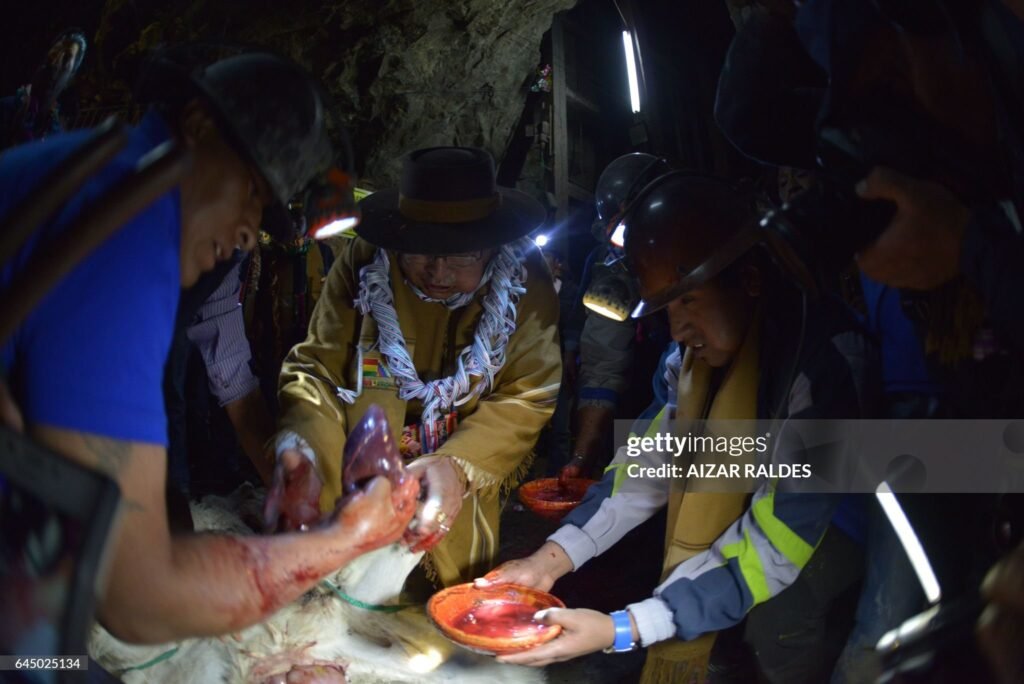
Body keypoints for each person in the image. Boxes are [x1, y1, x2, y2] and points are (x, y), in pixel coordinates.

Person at [0, 50, 418, 643]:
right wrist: (346, 539)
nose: (251, 230)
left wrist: (279, 458)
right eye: (250, 190)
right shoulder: (127, 235)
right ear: (196, 126)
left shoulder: (100, 178)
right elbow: (141, 600)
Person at [482, 174, 878, 683]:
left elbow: (775, 543)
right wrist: (548, 561)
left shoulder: (827, 366)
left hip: (841, 517)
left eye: (689, 301)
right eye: (668, 309)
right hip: (755, 495)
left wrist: (620, 629)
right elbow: (645, 467)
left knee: (779, 624)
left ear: (750, 280)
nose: (678, 330)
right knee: (692, 595)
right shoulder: (686, 361)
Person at [271, 146, 562, 587]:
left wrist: (458, 465)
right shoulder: (367, 261)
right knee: (337, 600)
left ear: (491, 245)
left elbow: (528, 394)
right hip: (358, 471)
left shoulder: (525, 282)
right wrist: (304, 452)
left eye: (461, 255)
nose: (438, 272)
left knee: (452, 595)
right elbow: (317, 371)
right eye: (421, 252)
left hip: (457, 470)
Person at [0, 29, 87, 149]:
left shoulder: (57, 139)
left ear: (71, 78)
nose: (55, 62)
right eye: (54, 53)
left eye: (66, 58)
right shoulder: (6, 109)